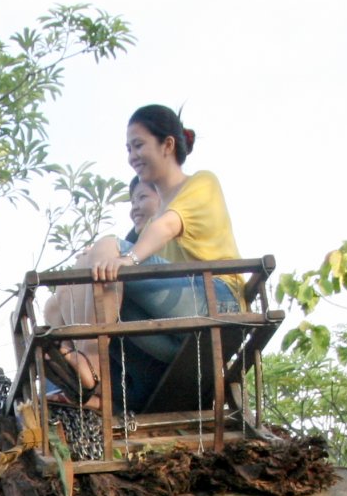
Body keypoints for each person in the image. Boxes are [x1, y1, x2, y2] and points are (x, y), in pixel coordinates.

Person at [56, 106, 243, 412]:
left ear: (167, 145)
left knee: (108, 246)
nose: (132, 156)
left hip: (217, 301)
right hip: (175, 330)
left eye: (139, 145)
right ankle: (83, 377)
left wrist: (127, 257)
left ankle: (90, 364)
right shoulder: (150, 222)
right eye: (128, 148)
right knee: (88, 272)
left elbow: (168, 225)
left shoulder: (200, 184)